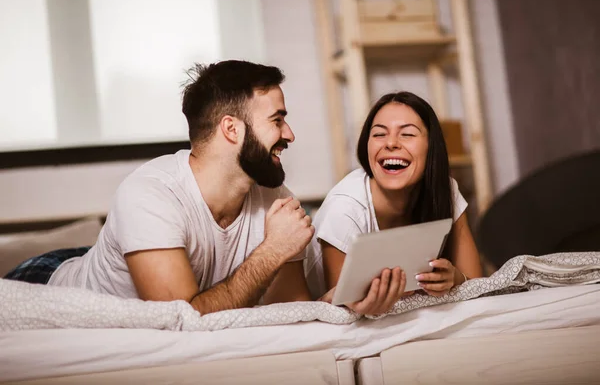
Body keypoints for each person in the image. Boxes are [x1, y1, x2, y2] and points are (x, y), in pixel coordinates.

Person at [4, 60, 315, 314]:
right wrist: (273, 251)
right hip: (48, 280)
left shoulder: (274, 196)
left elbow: (289, 308)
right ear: (231, 129)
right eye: (277, 120)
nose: (289, 134)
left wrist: (333, 307)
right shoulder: (150, 193)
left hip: (133, 256)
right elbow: (179, 320)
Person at [305, 91, 483, 315]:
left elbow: (478, 287)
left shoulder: (445, 189)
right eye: (379, 134)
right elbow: (343, 311)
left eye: (407, 134)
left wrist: (456, 278)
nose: (390, 143)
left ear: (432, 147)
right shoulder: (344, 208)